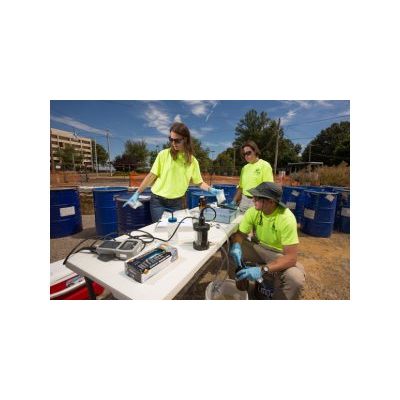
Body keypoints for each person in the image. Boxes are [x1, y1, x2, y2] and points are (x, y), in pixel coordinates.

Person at [124, 122, 223, 222]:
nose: (173, 143)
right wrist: (137, 193)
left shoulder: (192, 161)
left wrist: (211, 190)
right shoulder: (163, 154)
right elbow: (151, 176)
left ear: (185, 139)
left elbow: (199, 182)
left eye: (177, 140)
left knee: (176, 229)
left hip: (177, 203)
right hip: (158, 202)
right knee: (160, 229)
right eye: (171, 139)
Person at [229, 181, 305, 300]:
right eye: (254, 196)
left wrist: (263, 269)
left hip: (278, 254)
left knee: (295, 278)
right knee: (229, 247)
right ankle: (242, 289)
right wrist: (236, 246)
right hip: (258, 247)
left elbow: (291, 257)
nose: (253, 200)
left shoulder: (286, 218)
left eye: (258, 198)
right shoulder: (253, 211)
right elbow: (240, 234)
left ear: (271, 202)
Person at [231, 141, 274, 213]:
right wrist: (234, 201)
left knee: (256, 220)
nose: (246, 156)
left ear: (255, 151)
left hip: (258, 201)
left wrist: (262, 203)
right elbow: (241, 187)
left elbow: (268, 188)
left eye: (248, 153)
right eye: (244, 154)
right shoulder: (244, 168)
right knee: (241, 219)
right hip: (244, 201)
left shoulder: (265, 165)